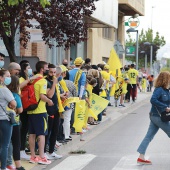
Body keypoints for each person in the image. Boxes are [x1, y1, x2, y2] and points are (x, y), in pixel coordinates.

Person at [137, 71, 170, 165]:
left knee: (149, 136)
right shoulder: (159, 89)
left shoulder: (166, 90)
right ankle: (141, 156)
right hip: (157, 116)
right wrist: (165, 107)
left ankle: (141, 157)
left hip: (156, 116)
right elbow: (153, 100)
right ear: (166, 79)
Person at [28, 61, 53, 165]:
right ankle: (42, 156)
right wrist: (49, 101)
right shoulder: (42, 81)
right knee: (41, 134)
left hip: (30, 110)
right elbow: (42, 96)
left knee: (32, 134)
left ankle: (33, 156)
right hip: (40, 111)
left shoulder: (31, 80)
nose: (48, 69)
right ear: (42, 69)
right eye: (47, 67)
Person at [19, 63, 39, 160]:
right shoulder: (22, 79)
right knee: (23, 130)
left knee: (26, 129)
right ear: (24, 70)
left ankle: (23, 149)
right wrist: (28, 79)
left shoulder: (29, 79)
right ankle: (21, 150)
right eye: (28, 68)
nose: (30, 69)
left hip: (28, 107)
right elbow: (19, 86)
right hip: (23, 107)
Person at [7, 76, 25, 170]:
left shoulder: (3, 92)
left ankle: (7, 164)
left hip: (3, 121)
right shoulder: (15, 95)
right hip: (14, 122)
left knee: (6, 143)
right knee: (16, 143)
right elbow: (20, 109)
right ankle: (18, 165)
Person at [44, 64, 63, 160]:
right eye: (51, 72)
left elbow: (56, 95)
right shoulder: (46, 81)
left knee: (55, 130)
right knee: (48, 131)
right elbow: (50, 95)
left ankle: (51, 151)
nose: (53, 74)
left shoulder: (54, 81)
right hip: (48, 109)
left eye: (54, 72)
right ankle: (44, 152)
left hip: (56, 109)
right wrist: (54, 84)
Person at [0, 69, 16, 170]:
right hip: (4, 119)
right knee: (5, 144)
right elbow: (14, 104)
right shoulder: (4, 90)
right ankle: (3, 167)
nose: (9, 78)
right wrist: (11, 106)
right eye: (7, 76)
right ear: (1, 78)